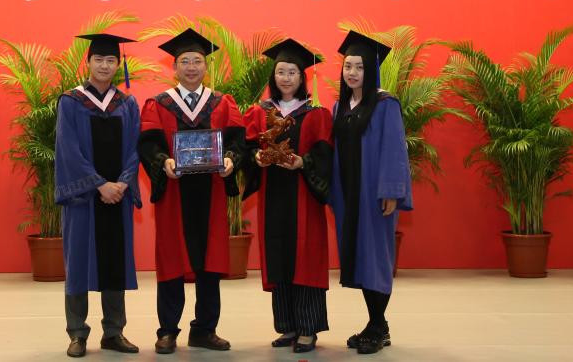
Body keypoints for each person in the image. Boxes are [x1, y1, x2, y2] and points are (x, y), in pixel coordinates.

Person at [137, 28, 246, 354]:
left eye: (197, 61)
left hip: (211, 193)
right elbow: (148, 144)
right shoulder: (159, 104)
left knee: (210, 261)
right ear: (174, 67)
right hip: (174, 194)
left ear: (205, 66)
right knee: (171, 259)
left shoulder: (222, 103)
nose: (191, 67)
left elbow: (238, 141)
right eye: (185, 61)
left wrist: (231, 159)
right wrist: (163, 162)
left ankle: (204, 330)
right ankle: (168, 330)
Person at [242, 38, 333, 354]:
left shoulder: (316, 114)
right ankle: (288, 326)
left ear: (301, 76)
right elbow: (247, 146)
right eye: (281, 71)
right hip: (273, 197)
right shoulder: (261, 112)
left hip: (304, 195)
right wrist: (254, 158)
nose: (286, 78)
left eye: (292, 72)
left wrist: (302, 163)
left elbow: (324, 156)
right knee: (279, 254)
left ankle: (308, 329)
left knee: (305, 256)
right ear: (274, 75)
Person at [55, 33, 142, 358]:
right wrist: (98, 184)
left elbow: (135, 147)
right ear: (88, 62)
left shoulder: (127, 104)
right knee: (78, 264)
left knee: (114, 263)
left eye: (110, 60)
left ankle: (114, 332)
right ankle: (77, 333)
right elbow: (68, 149)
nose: (105, 65)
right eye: (99, 60)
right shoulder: (70, 101)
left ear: (118, 64)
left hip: (117, 197)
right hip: (84, 199)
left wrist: (122, 183)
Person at [330, 30, 413, 355]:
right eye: (348, 66)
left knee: (376, 257)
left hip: (374, 195)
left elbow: (394, 149)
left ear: (371, 70)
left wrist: (391, 191)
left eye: (360, 67)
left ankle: (377, 326)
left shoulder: (384, 103)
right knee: (359, 258)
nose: (352, 72)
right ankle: (377, 323)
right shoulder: (340, 106)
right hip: (348, 194)